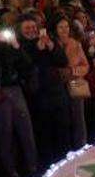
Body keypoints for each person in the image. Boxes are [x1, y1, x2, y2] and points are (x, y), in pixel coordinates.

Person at [0, 18, 38, 177]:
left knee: (26, 131)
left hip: (15, 90)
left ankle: (33, 167)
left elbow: (27, 66)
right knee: (5, 134)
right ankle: (12, 173)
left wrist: (15, 45)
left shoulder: (8, 47)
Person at [18, 14, 71, 165]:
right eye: (27, 28)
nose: (31, 31)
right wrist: (37, 50)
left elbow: (62, 61)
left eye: (34, 27)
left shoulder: (48, 41)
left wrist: (51, 47)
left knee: (62, 129)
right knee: (44, 132)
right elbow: (25, 67)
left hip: (57, 93)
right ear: (20, 30)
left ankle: (64, 163)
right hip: (37, 96)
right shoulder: (19, 46)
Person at [54, 17, 89, 149]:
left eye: (66, 27)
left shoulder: (75, 44)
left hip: (74, 84)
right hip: (57, 86)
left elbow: (85, 66)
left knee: (78, 118)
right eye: (61, 27)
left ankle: (81, 146)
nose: (64, 30)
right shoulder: (52, 44)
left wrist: (72, 71)